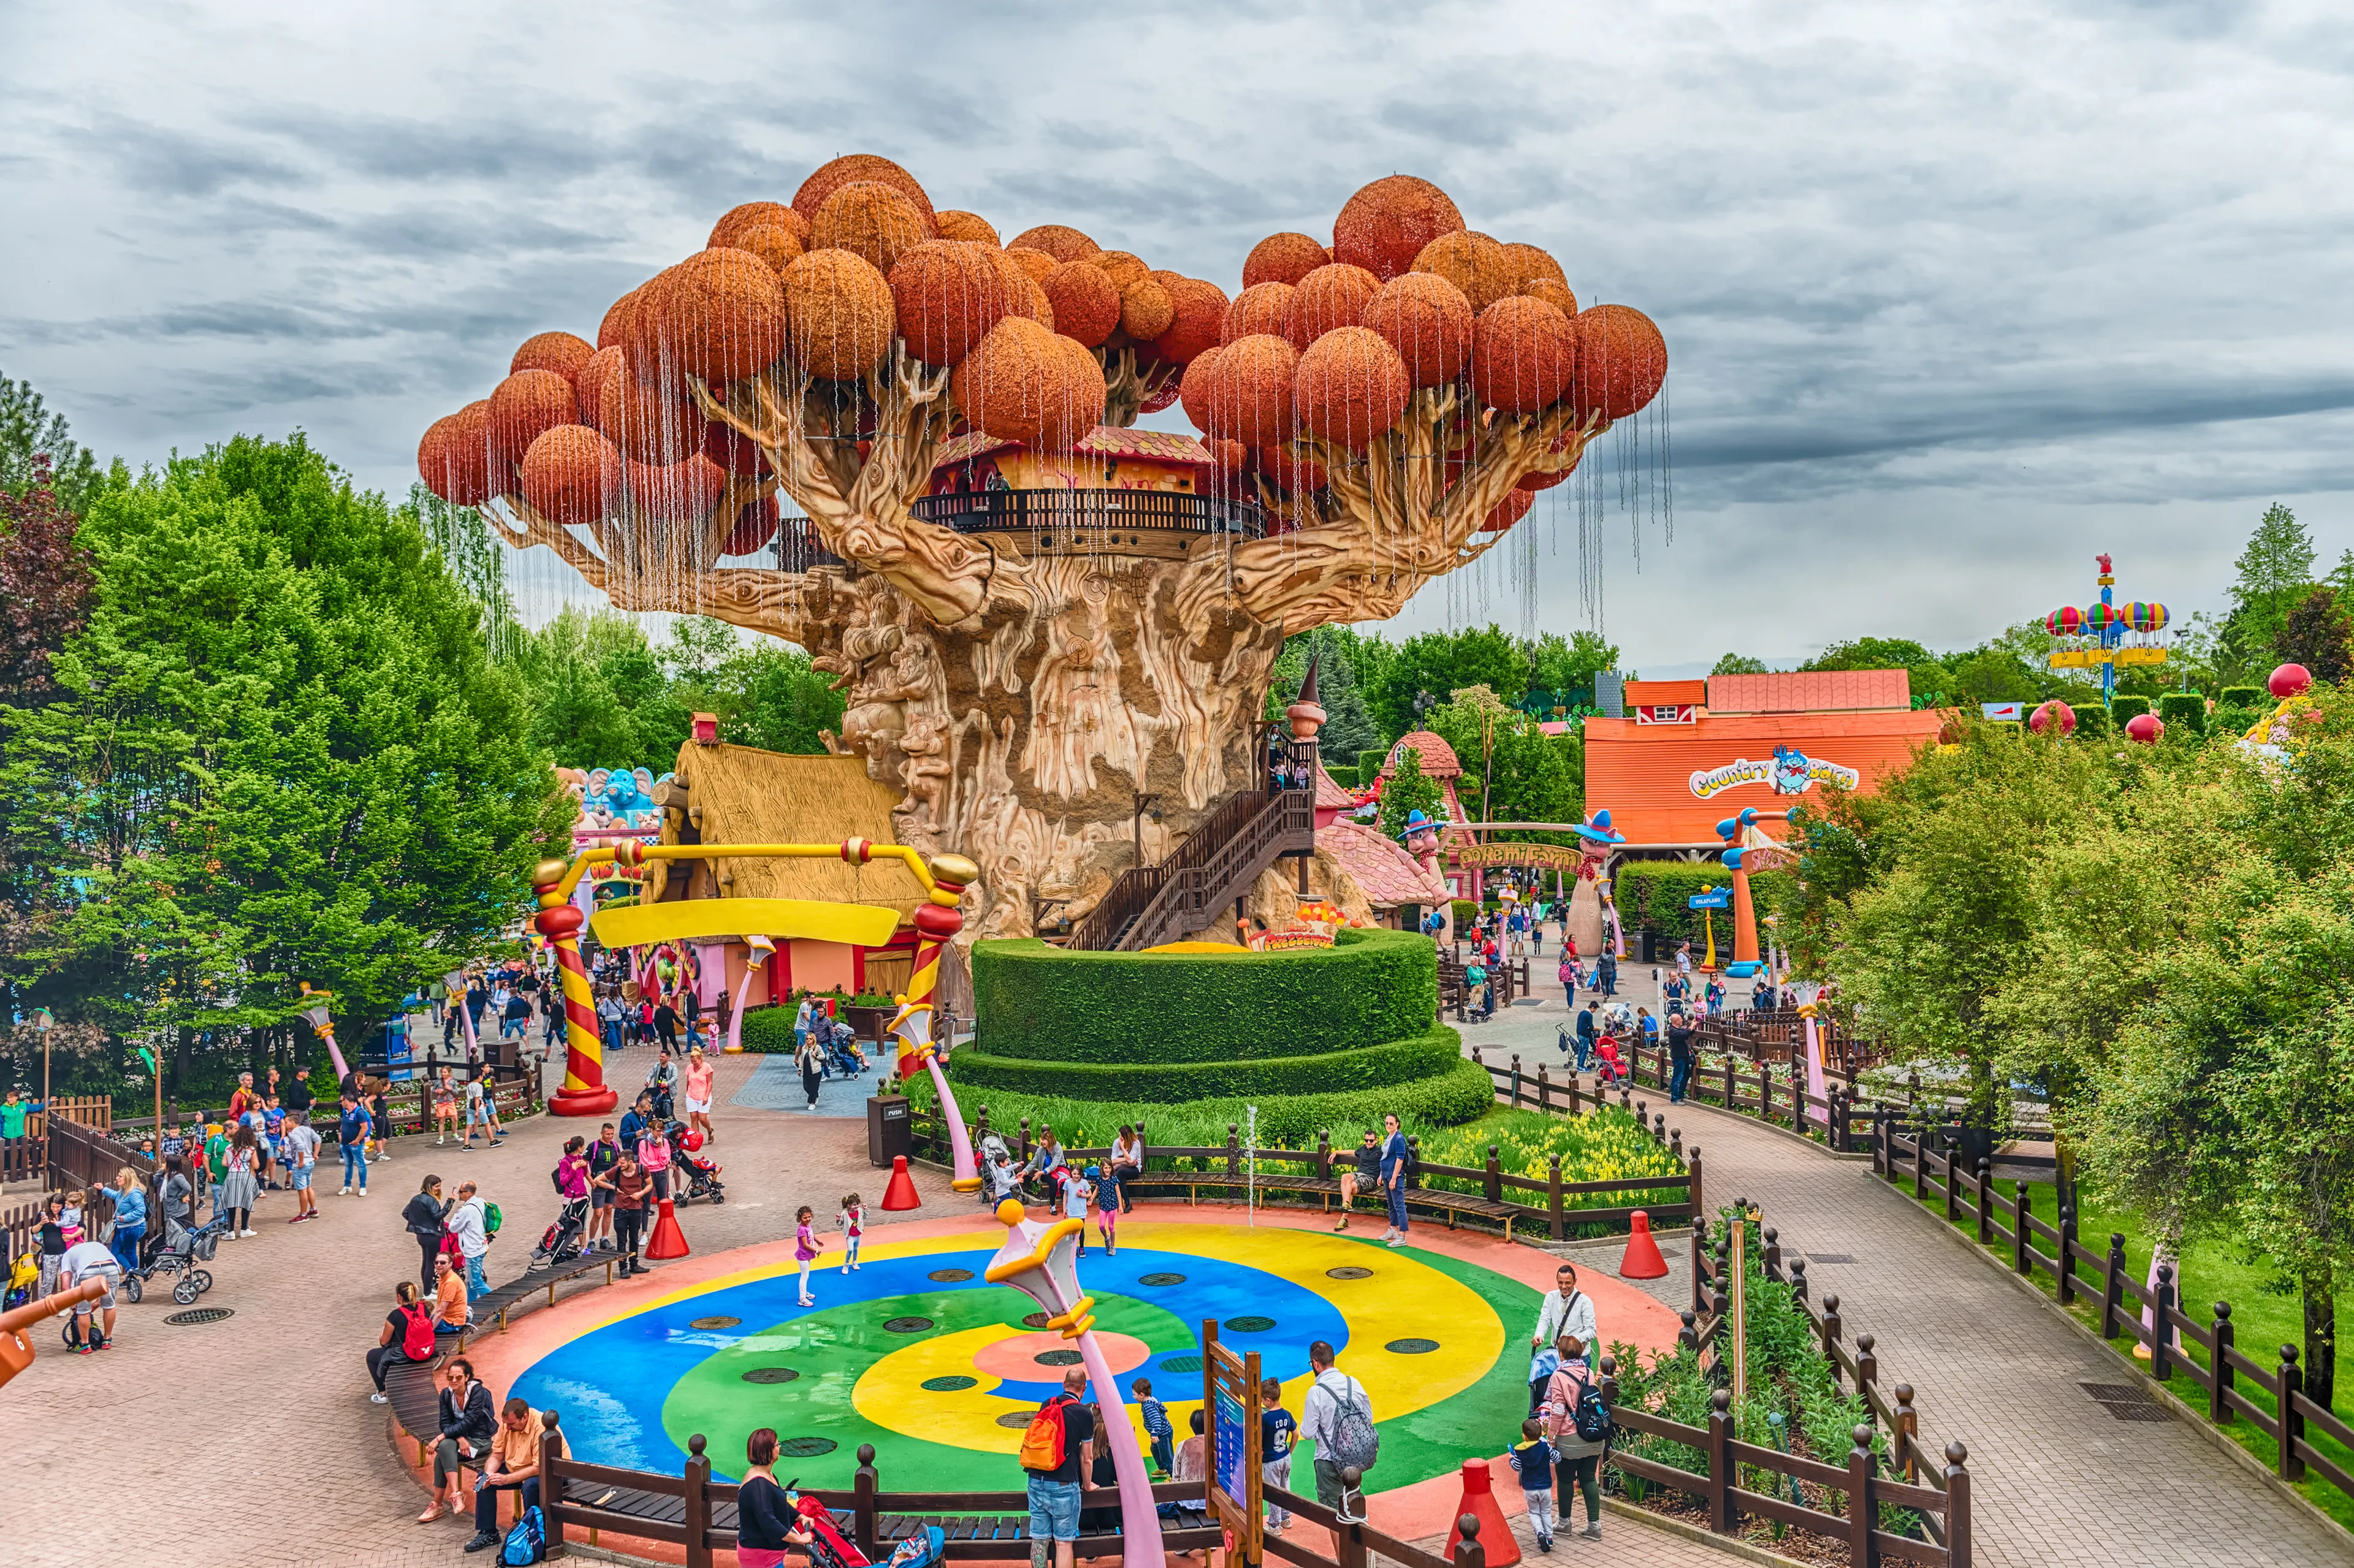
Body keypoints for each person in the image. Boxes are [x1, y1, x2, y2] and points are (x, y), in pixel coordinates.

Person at [1022, 1365, 1096, 1568]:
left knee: (1039, 1539)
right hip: (1064, 1484)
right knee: (1063, 1543)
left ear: (1064, 1385)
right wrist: (1088, 1485)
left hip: (1036, 1480)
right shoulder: (1084, 1413)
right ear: (1084, 1388)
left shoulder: (1047, 1404)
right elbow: (1087, 1457)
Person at [1539, 1334, 1606, 1541]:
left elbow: (1558, 1410)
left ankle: (1564, 1522)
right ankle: (1594, 1526)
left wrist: (1550, 1436)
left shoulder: (1559, 1376)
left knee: (1565, 1478)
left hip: (1569, 1436)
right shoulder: (1588, 1372)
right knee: (1588, 1478)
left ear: (1562, 1354)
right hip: (1593, 1433)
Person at [465, 1395, 544, 1553]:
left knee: (530, 1486)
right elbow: (496, 1455)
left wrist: (505, 1479)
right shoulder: (507, 1424)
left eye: (511, 1424)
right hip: (518, 1466)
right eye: (506, 1424)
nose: (507, 1428)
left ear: (525, 1418)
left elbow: (538, 1468)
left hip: (546, 1472)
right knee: (484, 1479)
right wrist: (489, 1475)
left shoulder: (540, 1426)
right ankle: (489, 1532)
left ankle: (534, 1534)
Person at [423, 1357, 498, 1524]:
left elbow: (469, 1421)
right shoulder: (446, 1394)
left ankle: (437, 1504)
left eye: (458, 1377)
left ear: (467, 1377)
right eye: (450, 1378)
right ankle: (456, 1494)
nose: (454, 1381)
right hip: (461, 1440)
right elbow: (444, 1422)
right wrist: (460, 1438)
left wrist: (440, 1437)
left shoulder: (479, 1393)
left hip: (480, 1440)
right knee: (445, 1448)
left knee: (442, 1451)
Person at [1301, 1341, 1371, 1511]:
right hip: (1355, 1458)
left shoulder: (1316, 1392)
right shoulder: (1353, 1383)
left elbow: (1308, 1433)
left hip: (1328, 1460)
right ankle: (1355, 1537)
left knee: (1334, 1513)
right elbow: (1368, 1417)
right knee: (1354, 1505)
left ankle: (1342, 1539)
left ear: (1316, 1364)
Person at [734, 1428, 813, 1568]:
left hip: (768, 1555)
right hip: (761, 1557)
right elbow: (768, 1523)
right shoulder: (758, 1485)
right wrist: (799, 1539)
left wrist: (800, 1517)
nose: (780, 1447)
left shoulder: (767, 1475)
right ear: (768, 1451)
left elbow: (779, 1503)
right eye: (777, 1445)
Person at [369, 1279, 438, 1400]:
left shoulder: (395, 1315)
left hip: (404, 1355)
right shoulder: (425, 1309)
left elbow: (384, 1341)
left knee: (371, 1356)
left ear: (399, 1297)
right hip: (426, 1351)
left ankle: (382, 1393)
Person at [58, 1234, 123, 1352]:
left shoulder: (68, 1254)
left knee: (83, 1310)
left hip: (87, 1270)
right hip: (111, 1268)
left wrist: (73, 1306)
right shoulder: (97, 1245)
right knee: (109, 1305)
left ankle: (85, 1344)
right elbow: (101, 1274)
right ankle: (107, 1340)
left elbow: (66, 1286)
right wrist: (99, 1301)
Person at [1532, 1263, 1599, 1376]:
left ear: (1575, 1281)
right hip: (1557, 1355)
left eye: (1568, 1283)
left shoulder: (1585, 1302)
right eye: (1560, 1283)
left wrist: (1571, 1342)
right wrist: (1539, 1335)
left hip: (1580, 1358)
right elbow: (1545, 1319)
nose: (1564, 1287)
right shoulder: (1551, 1297)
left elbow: (1591, 1331)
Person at [1508, 1417, 1561, 1553]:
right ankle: (1549, 1538)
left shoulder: (1520, 1451)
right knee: (1546, 1512)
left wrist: (1511, 1459)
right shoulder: (1545, 1446)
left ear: (1524, 1436)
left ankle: (1540, 1533)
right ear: (1541, 1433)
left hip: (1530, 1487)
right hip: (1545, 1486)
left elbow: (1516, 1467)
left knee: (1533, 1512)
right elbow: (1557, 1458)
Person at [1261, 1375, 1297, 1533]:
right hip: (1285, 1456)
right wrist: (1290, 1451)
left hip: (1271, 1461)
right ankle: (1286, 1518)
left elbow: (1259, 1440)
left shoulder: (1266, 1418)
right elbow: (1295, 1433)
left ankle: (1274, 1525)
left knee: (1273, 1492)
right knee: (1285, 1487)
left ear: (1268, 1400)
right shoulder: (1286, 1414)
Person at [403, 1174, 451, 1296]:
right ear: (430, 1187)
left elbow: (406, 1213)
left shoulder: (416, 1199)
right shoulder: (431, 1200)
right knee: (431, 1264)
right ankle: (428, 1293)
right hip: (432, 1235)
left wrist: (419, 1221)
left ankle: (428, 1289)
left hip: (421, 1235)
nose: (439, 1189)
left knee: (426, 1262)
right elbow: (438, 1215)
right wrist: (449, 1203)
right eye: (436, 1186)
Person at [447, 1179, 492, 1300]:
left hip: (473, 1251)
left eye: (461, 1192)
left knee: (476, 1283)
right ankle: (468, 1307)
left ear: (468, 1193)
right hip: (481, 1246)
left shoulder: (465, 1211)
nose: (458, 1194)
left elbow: (453, 1228)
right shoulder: (481, 1202)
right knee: (472, 1284)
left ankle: (499, 1304)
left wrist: (457, 1215)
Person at [609, 1151, 650, 1276]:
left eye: (622, 1163)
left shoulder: (642, 1169)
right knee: (621, 1240)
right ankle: (623, 1268)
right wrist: (614, 1188)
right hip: (621, 1210)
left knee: (634, 1238)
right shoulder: (617, 1171)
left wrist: (641, 1194)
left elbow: (650, 1184)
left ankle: (634, 1264)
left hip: (636, 1209)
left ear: (630, 1162)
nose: (619, 1165)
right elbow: (598, 1180)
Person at [219, 1121, 262, 1236]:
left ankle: (231, 1231)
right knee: (245, 1203)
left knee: (231, 1204)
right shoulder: (251, 1150)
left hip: (232, 1176)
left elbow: (224, 1163)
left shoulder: (229, 1148)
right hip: (245, 1176)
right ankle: (244, 1229)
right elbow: (257, 1166)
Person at [584, 1122, 622, 1252]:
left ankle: (604, 1239)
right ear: (602, 1133)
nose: (610, 1137)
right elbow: (585, 1165)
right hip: (599, 1184)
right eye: (608, 1134)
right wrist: (591, 1181)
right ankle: (591, 1241)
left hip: (612, 1183)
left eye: (612, 1134)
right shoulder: (593, 1146)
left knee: (609, 1210)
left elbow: (618, 1163)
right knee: (598, 1213)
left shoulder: (615, 1146)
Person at [1334, 1128, 1381, 1233]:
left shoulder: (1380, 1151)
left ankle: (1344, 1218)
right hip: (1359, 1174)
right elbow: (1351, 1152)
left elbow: (1390, 1161)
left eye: (1371, 1141)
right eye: (1366, 1140)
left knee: (1349, 1188)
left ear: (1376, 1141)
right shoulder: (1362, 1149)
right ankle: (1346, 1204)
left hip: (1370, 1178)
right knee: (1345, 1177)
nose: (1368, 1142)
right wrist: (1336, 1152)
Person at [1377, 1112, 1411, 1247]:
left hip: (1394, 1176)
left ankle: (1402, 1236)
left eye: (1391, 1123)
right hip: (1386, 1174)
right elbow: (1385, 1156)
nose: (1389, 1125)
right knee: (1391, 1204)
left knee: (1399, 1205)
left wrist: (1394, 1178)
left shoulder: (1399, 1138)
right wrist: (1381, 1174)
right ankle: (1393, 1229)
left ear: (1397, 1124)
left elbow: (1400, 1159)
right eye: (1387, 1123)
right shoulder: (1389, 1136)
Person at [283, 1106, 322, 1222]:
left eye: (286, 1123)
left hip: (301, 1164)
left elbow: (300, 1146)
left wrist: (300, 1161)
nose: (285, 1125)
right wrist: (315, 1154)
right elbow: (318, 1140)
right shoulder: (307, 1129)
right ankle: (313, 1209)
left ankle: (303, 1214)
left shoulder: (293, 1134)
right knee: (309, 1187)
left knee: (302, 1190)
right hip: (310, 1162)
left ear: (292, 1123)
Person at [105, 1166, 147, 1271]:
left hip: (133, 1227)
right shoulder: (124, 1191)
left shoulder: (134, 1193)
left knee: (130, 1251)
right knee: (115, 1252)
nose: (117, 1178)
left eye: (120, 1176)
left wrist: (125, 1218)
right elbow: (115, 1195)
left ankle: (134, 1277)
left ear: (128, 1178)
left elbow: (141, 1210)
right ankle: (131, 1271)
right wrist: (103, 1189)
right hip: (122, 1226)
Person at [1135, 1377, 1173, 1478]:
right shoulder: (1149, 1400)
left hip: (1162, 1435)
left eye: (1134, 1394)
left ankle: (1173, 1475)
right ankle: (1163, 1469)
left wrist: (1155, 1432)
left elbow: (1156, 1420)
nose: (1133, 1397)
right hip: (1160, 1434)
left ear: (1142, 1395)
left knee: (1166, 1456)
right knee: (1155, 1450)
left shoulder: (1149, 1406)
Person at [338, 1091, 372, 1195]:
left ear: (346, 1101)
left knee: (360, 1164)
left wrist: (357, 1140)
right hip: (345, 1143)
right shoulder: (345, 1112)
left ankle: (363, 1187)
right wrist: (340, 1133)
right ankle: (347, 1186)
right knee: (348, 1165)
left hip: (355, 1144)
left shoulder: (359, 1112)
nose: (340, 1103)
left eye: (341, 1101)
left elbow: (364, 1127)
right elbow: (343, 1123)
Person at [464, 1063, 505, 1149]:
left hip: (469, 1107)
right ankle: (492, 1141)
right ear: (479, 1077)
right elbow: (477, 1099)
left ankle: (466, 1144)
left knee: (469, 1126)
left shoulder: (469, 1085)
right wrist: (478, 1110)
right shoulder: (479, 1086)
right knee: (487, 1124)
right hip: (478, 1108)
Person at [430, 1252, 471, 1336]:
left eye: (442, 1263)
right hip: (448, 1319)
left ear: (450, 1264)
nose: (438, 1265)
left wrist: (428, 1333)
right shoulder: (445, 1276)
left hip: (451, 1324)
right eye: (436, 1262)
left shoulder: (450, 1282)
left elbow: (441, 1311)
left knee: (417, 1330)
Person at [682, 1046, 715, 1146]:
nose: (694, 1064)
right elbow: (688, 1081)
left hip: (703, 1095)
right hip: (692, 1095)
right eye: (692, 1062)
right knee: (693, 1117)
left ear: (700, 1059)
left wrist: (706, 1096)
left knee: (702, 1118)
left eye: (695, 1061)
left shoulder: (707, 1067)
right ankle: (696, 1139)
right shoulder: (689, 1068)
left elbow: (710, 1083)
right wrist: (687, 1092)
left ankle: (710, 1130)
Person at [1108, 1125, 1143, 1214]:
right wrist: (1125, 1159)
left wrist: (1123, 1148)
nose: (1119, 1137)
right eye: (1119, 1135)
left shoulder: (1136, 1143)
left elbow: (1132, 1161)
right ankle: (1128, 1204)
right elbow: (1113, 1161)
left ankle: (1112, 1201)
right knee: (1121, 1178)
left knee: (1119, 1173)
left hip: (1134, 1169)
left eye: (1121, 1136)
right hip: (1122, 1170)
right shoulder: (1116, 1142)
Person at [794, 1025, 826, 1111]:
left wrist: (816, 1056)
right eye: (807, 1039)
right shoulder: (804, 1048)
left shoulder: (817, 1048)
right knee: (806, 1087)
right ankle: (816, 1095)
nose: (809, 1040)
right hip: (807, 1071)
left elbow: (823, 1056)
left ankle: (812, 1103)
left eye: (810, 1039)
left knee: (814, 1087)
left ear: (813, 1040)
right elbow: (802, 1059)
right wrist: (800, 1069)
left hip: (816, 1071)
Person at [1666, 1011, 1695, 1105]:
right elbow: (1683, 1035)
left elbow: (1687, 1034)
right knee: (1677, 1077)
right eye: (1680, 1019)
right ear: (1675, 1021)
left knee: (1687, 1074)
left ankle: (1680, 1093)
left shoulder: (1679, 1029)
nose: (1682, 1020)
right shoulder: (1673, 1031)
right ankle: (1674, 1099)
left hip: (1685, 1055)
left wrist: (1692, 1027)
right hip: (1678, 1056)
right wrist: (1690, 1028)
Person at [793, 1205, 819, 1306]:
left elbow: (811, 1234)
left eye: (809, 1217)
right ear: (800, 1219)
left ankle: (804, 1293)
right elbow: (805, 1244)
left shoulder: (808, 1226)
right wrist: (816, 1250)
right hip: (803, 1255)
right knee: (805, 1276)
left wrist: (817, 1240)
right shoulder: (801, 1229)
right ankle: (802, 1299)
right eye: (805, 1218)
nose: (808, 1219)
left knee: (806, 1275)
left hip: (807, 1255)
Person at [1092, 1164, 1120, 1255]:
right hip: (1103, 1206)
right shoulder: (1100, 1179)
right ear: (1102, 1169)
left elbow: (1118, 1192)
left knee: (1111, 1226)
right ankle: (1106, 1238)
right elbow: (1096, 1190)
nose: (1108, 1170)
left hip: (1112, 1205)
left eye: (1109, 1168)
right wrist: (1091, 1199)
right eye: (1105, 1168)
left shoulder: (1114, 1179)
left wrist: (1120, 1205)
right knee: (1101, 1226)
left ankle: (1112, 1246)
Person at [431, 1066, 462, 1145]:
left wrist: (450, 1089)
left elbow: (456, 1092)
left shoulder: (453, 1082)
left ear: (449, 1073)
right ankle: (441, 1137)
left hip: (450, 1102)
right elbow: (433, 1090)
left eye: (445, 1072)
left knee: (454, 1119)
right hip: (441, 1103)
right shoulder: (438, 1081)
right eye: (442, 1072)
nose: (443, 1074)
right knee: (441, 1120)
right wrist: (438, 1091)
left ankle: (455, 1134)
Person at [836, 1192, 864, 1273]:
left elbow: (864, 1217)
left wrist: (866, 1210)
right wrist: (838, 1219)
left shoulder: (859, 1211)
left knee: (856, 1249)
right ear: (849, 1206)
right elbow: (840, 1224)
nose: (857, 1206)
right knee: (851, 1249)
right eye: (855, 1205)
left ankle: (855, 1262)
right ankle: (846, 1265)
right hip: (850, 1235)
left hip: (858, 1234)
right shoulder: (845, 1213)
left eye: (857, 1204)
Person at [1572, 1002, 1598, 1072]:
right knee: (1584, 1051)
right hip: (1585, 1035)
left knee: (1581, 1050)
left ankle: (1579, 1065)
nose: (1595, 1012)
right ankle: (1581, 1066)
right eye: (1595, 1010)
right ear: (1592, 1008)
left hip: (1579, 1034)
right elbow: (1591, 1027)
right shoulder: (1589, 1015)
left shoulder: (1581, 1013)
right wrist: (1596, 1029)